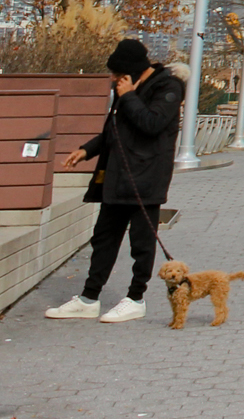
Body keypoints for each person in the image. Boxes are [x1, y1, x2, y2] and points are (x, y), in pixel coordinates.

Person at [45, 38, 184, 323]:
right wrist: (87, 150)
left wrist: (130, 95)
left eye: (117, 74)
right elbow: (114, 130)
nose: (112, 79)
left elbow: (152, 123)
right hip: (117, 177)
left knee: (141, 243)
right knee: (103, 238)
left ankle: (135, 298)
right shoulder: (124, 89)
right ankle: (88, 298)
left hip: (147, 179)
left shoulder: (168, 87)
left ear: (131, 71)